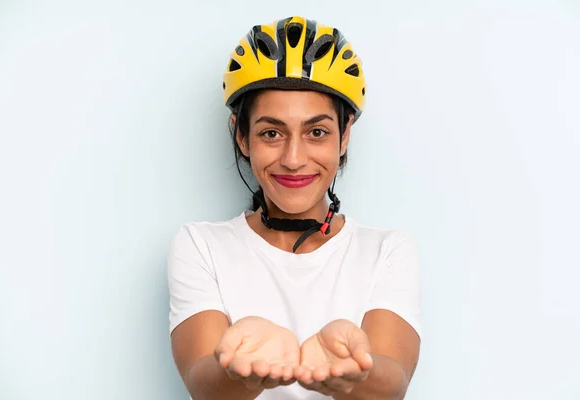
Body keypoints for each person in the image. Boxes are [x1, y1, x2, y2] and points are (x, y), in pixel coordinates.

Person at [167, 16, 422, 400]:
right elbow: (203, 382)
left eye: (316, 132)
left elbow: (393, 380)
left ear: (345, 135)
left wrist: (351, 372)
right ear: (241, 135)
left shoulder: (386, 250)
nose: (293, 158)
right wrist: (241, 372)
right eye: (271, 133)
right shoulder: (200, 245)